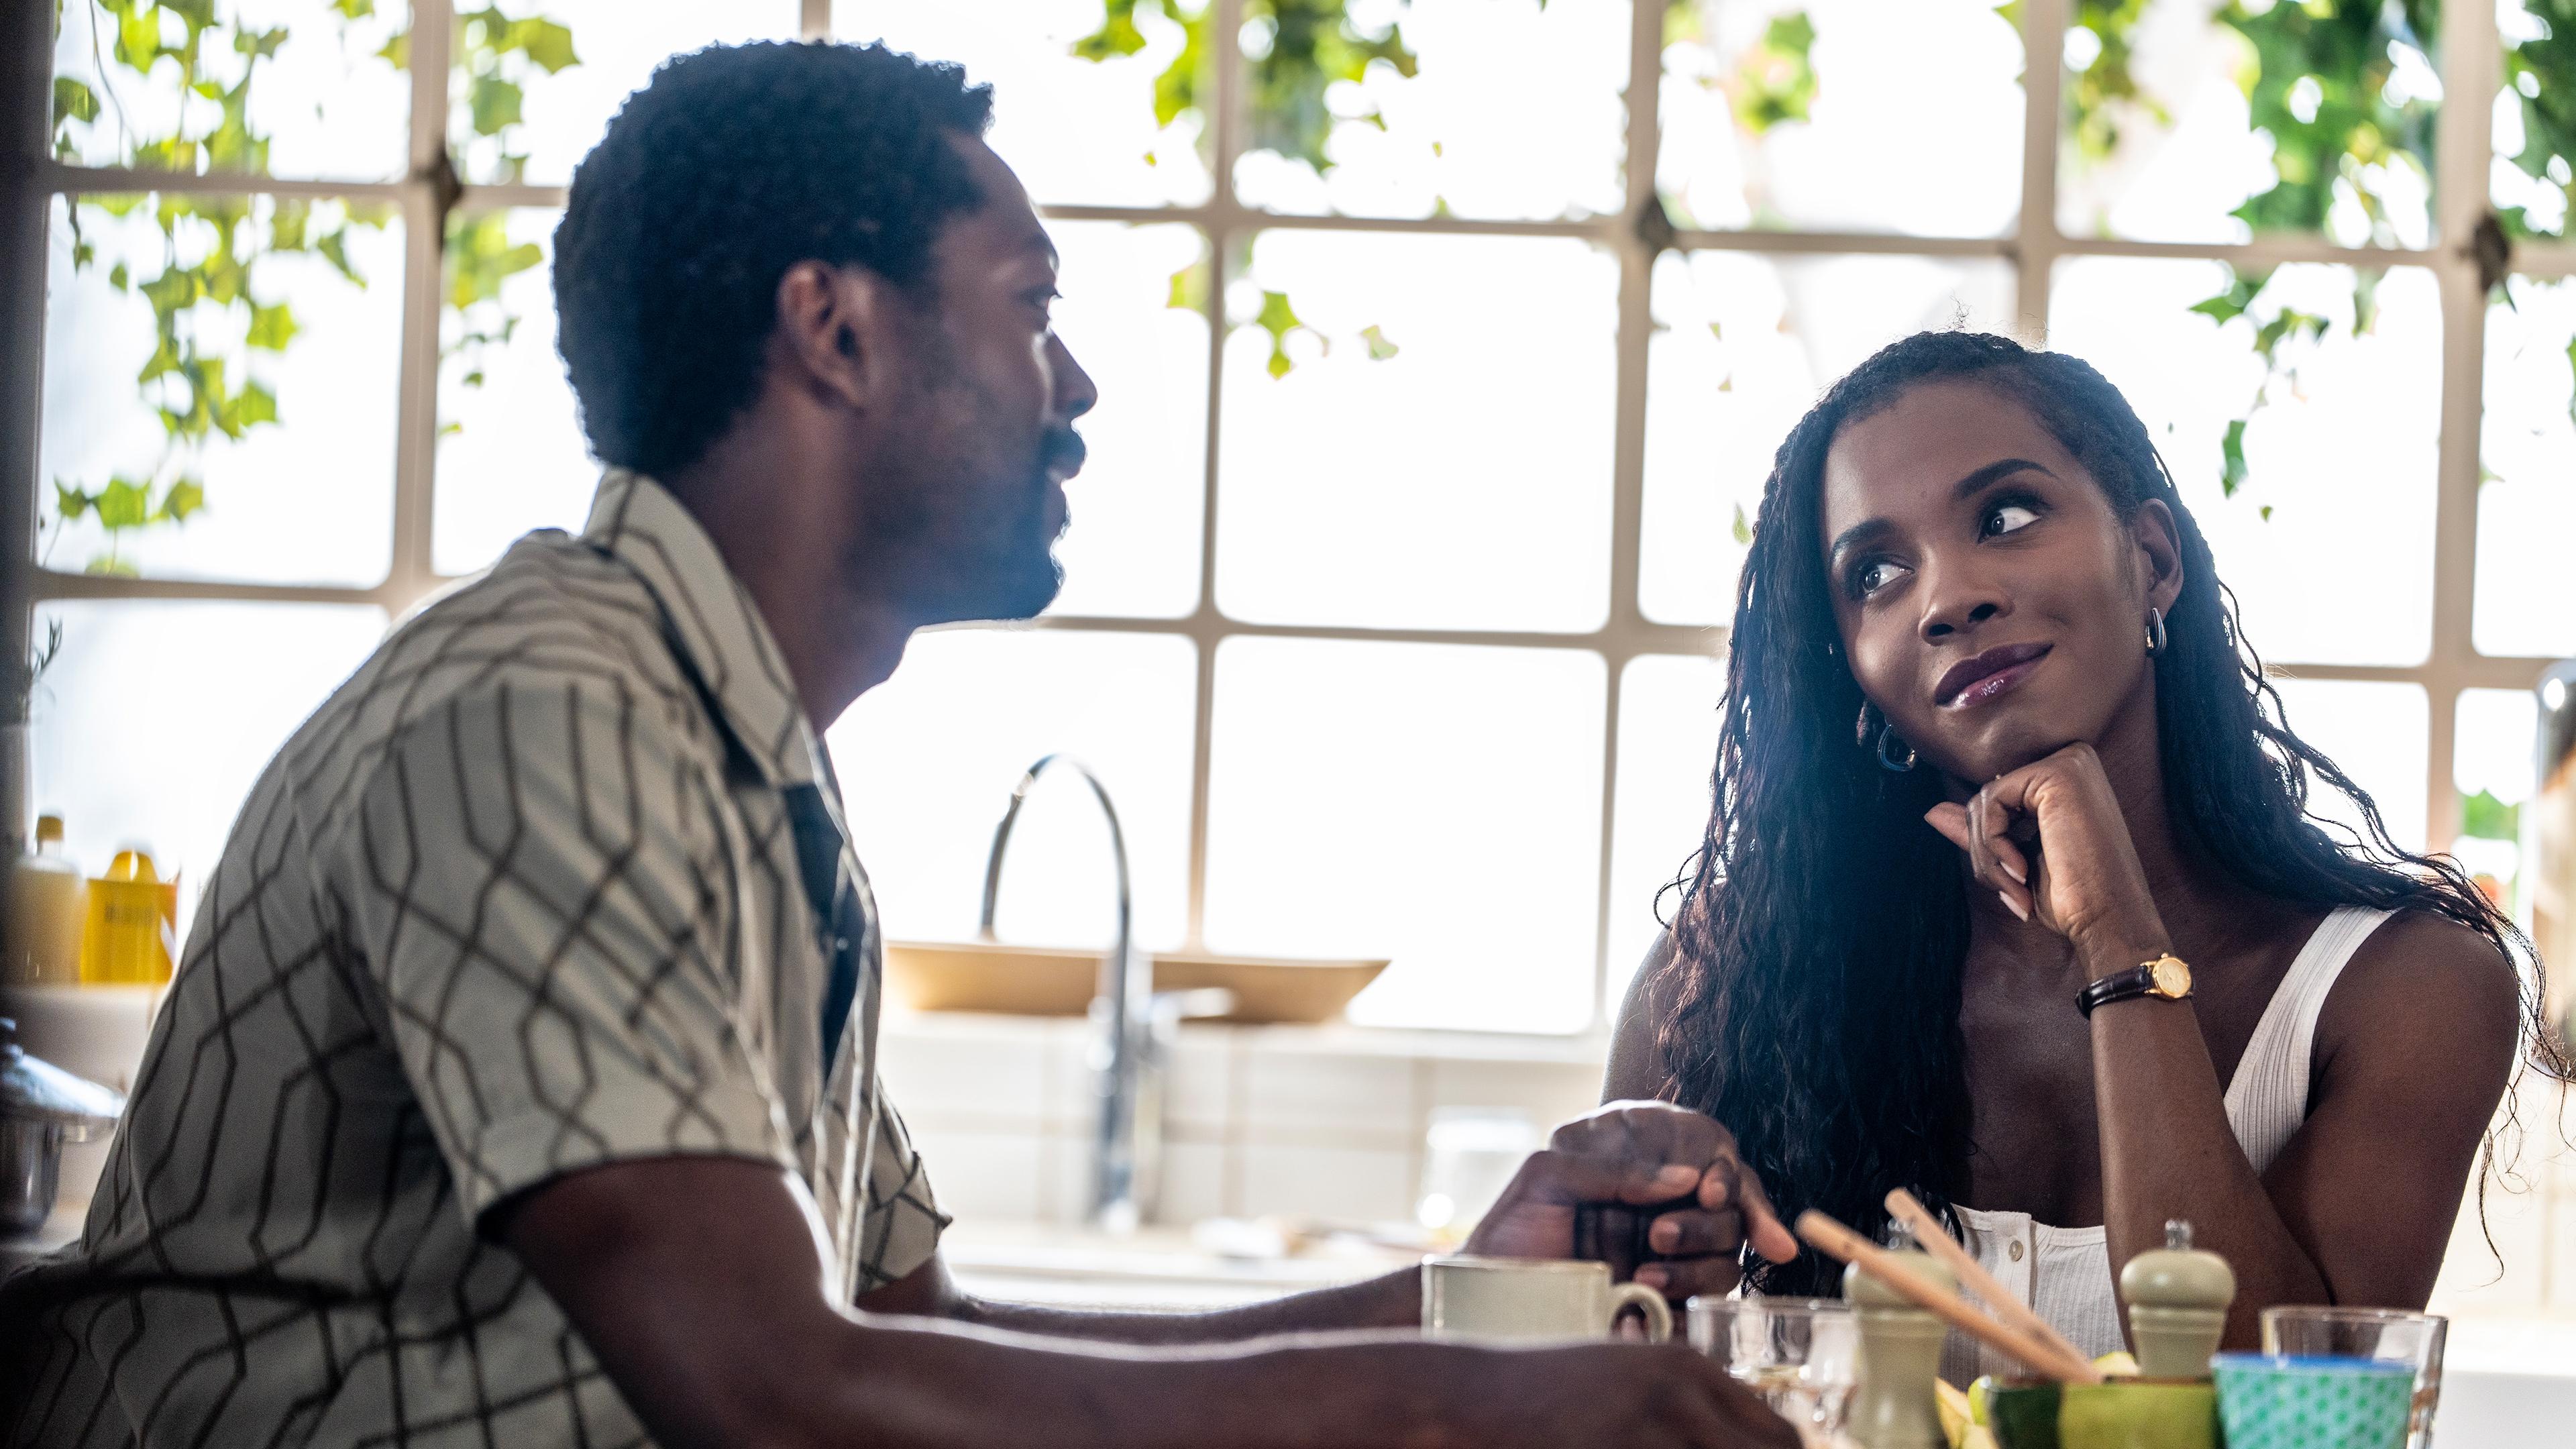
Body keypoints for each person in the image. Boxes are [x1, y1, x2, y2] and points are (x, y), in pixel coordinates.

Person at [1, 42, 1801, 1449]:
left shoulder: (743, 769)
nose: (1073, 388)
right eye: (1032, 307)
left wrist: (1456, 1301)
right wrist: (1437, 1407)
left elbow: (912, 1342)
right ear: (838, 329)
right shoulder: (548, 710)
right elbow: (782, 1398)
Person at [1605, 329, 2562, 1381]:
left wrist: (2119, 937)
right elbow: (1594, 1382)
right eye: (1876, 572)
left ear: (2152, 562)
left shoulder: (2407, 987)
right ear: (1854, 673)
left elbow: (2274, 1421)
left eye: (2007, 516)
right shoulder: (1728, 971)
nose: (1948, 598)